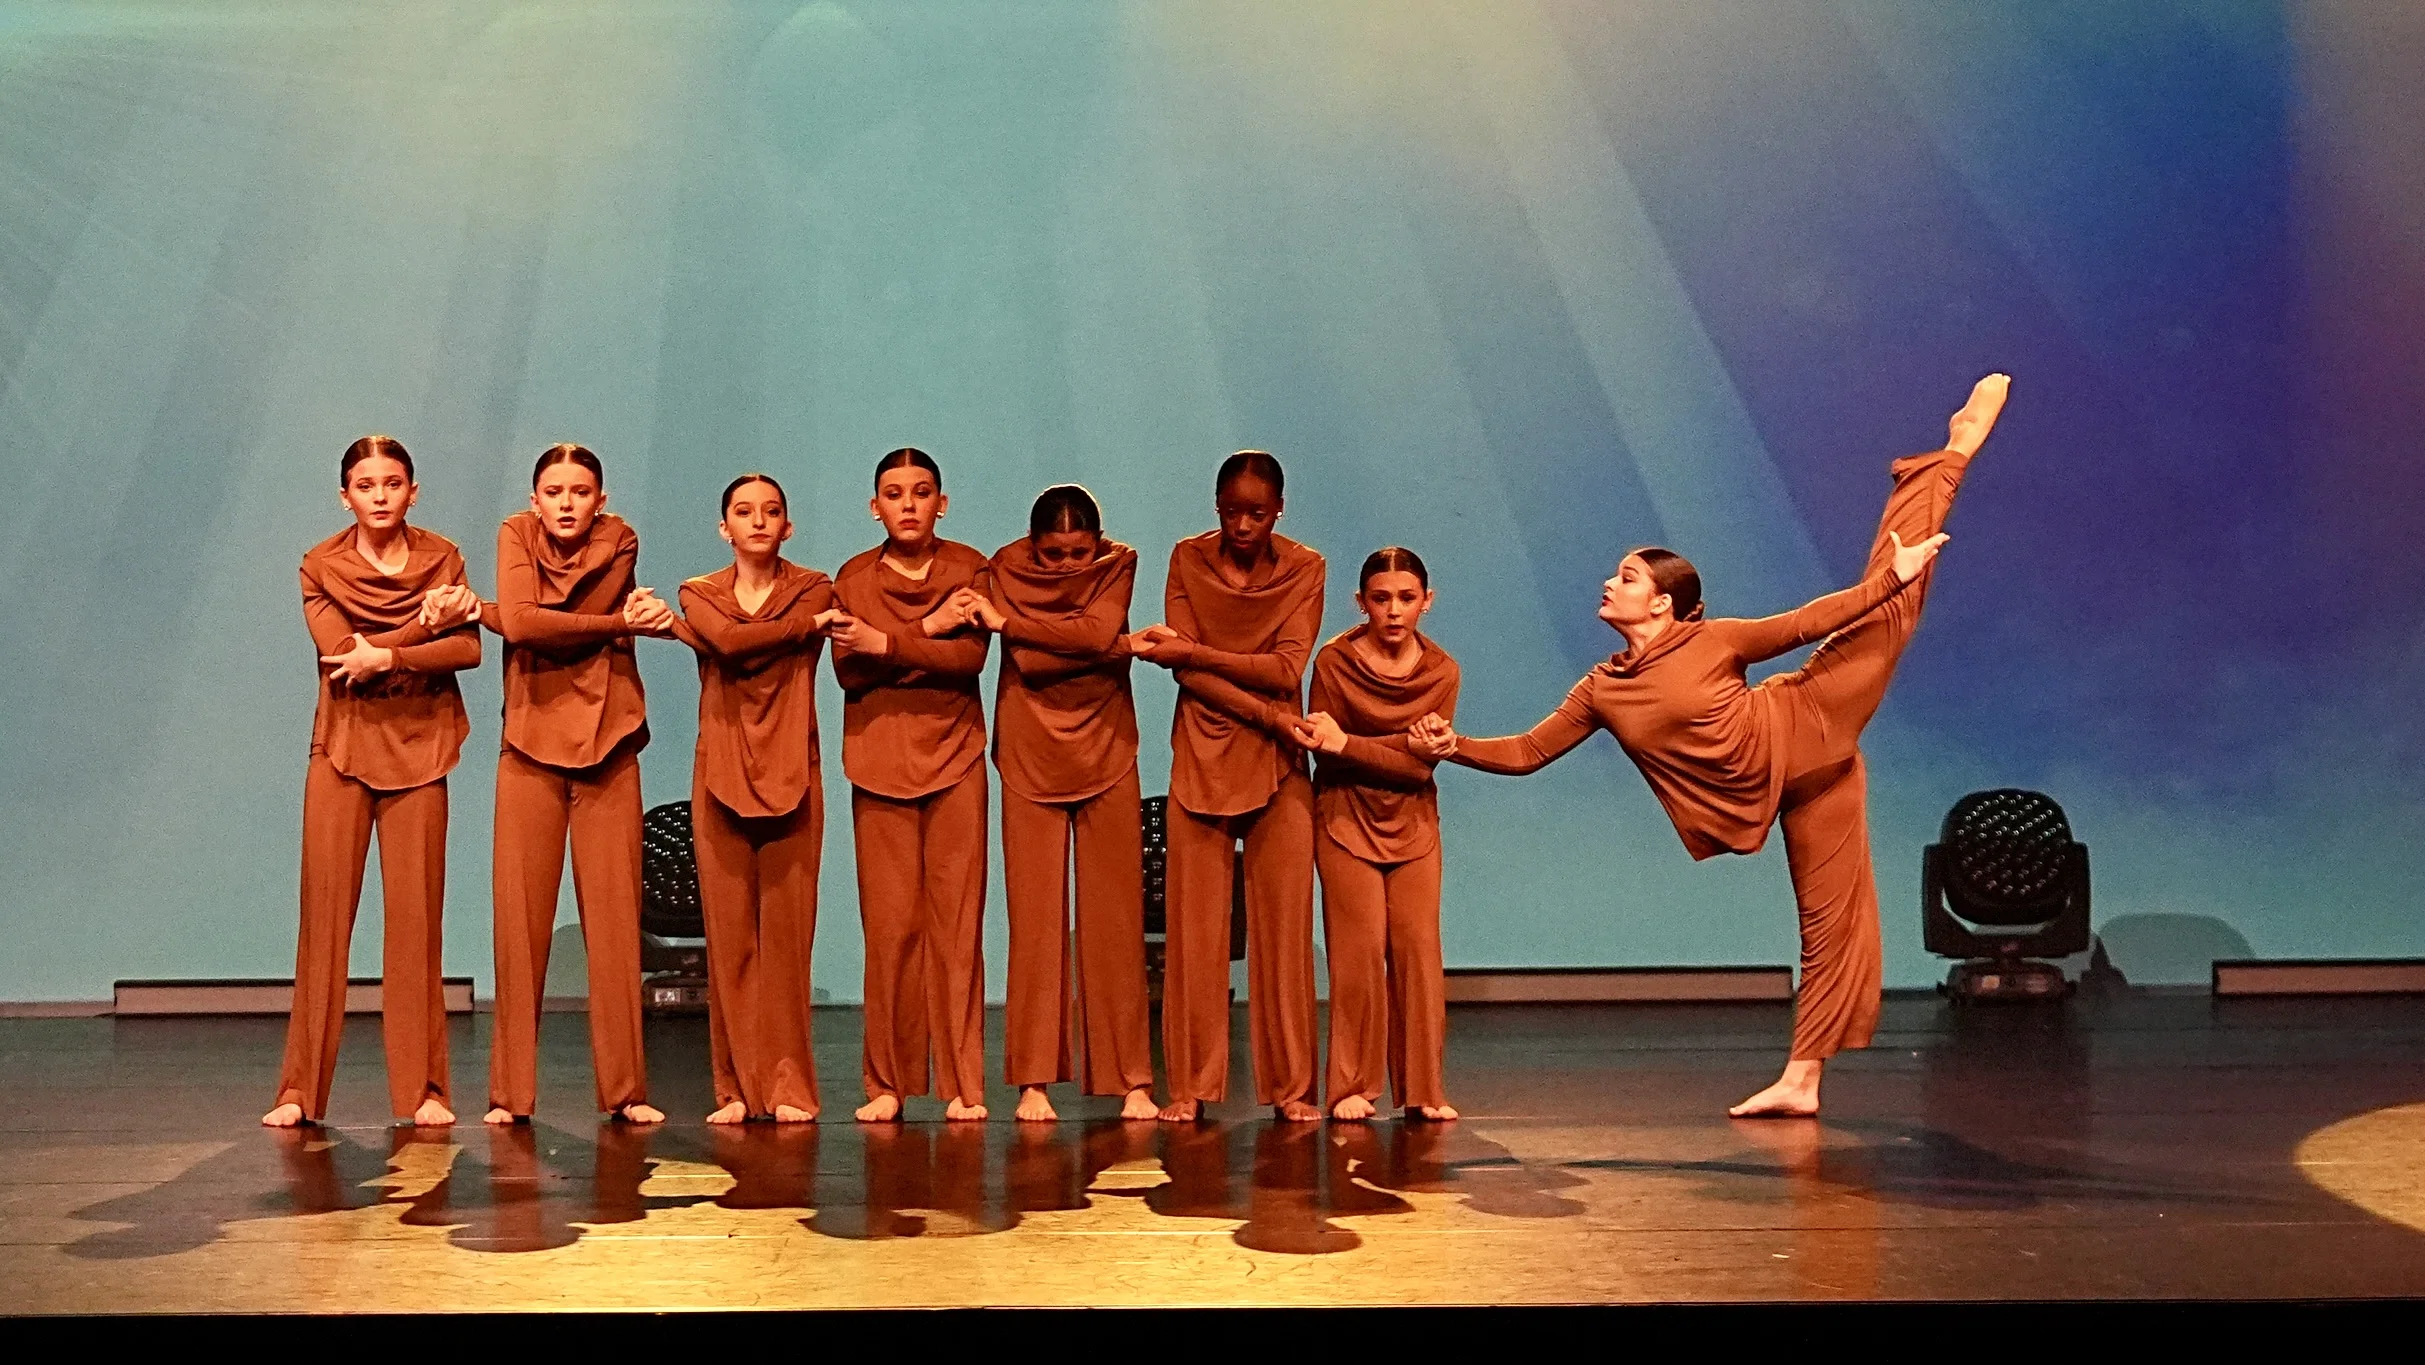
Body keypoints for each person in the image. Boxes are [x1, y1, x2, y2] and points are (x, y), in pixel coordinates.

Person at [1411, 375, 2010, 1117]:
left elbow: (1806, 622)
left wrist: (1891, 578)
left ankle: (1952, 455)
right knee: (1823, 926)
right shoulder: (1601, 688)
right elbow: (1529, 751)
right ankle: (1802, 1081)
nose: (1608, 583)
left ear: (1661, 602)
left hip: (1809, 722)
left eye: (1625, 577)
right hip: (1800, 788)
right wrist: (1453, 745)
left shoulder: (1713, 639)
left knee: (1883, 617)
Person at [264, 435, 481, 1129]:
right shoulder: (320, 564)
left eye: (392, 483)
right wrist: (419, 630)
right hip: (343, 747)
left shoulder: (442, 557)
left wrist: (388, 651)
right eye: (366, 485)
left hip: (422, 749)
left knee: (417, 926)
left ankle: (424, 1090)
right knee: (323, 922)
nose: (380, 495)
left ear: (413, 491)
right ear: (345, 496)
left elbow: (467, 648)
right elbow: (340, 655)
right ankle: (299, 1091)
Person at [480, 443, 672, 1125]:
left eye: (580, 492)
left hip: (610, 741)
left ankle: (625, 1090)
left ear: (600, 500)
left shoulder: (620, 539)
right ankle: (510, 1094)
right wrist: (617, 624)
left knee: (616, 925)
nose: (567, 503)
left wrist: (494, 611)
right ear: (534, 500)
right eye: (554, 492)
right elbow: (527, 623)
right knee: (519, 924)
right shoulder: (514, 532)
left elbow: (548, 615)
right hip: (529, 743)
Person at [1129, 451, 1323, 1122]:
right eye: (1232, 511)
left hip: (1278, 763)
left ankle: (1291, 1087)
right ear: (1216, 506)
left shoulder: (1305, 568)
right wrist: (1262, 708)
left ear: (1279, 511)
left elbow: (1285, 669)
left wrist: (1193, 652)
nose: (1243, 525)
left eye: (1257, 513)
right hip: (1205, 752)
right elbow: (1186, 673)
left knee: (1284, 932)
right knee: (1195, 932)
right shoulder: (1187, 558)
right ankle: (1189, 1085)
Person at [961, 484, 1157, 1123]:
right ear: (1032, 545)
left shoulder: (1118, 562)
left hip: (1107, 747)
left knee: (1116, 920)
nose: (1070, 565)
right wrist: (1111, 647)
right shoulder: (1005, 568)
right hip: (1030, 751)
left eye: (1080, 552)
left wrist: (1016, 625)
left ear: (1098, 542)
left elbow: (1096, 633)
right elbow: (1034, 663)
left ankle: (1131, 1079)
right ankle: (1034, 1081)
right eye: (1054, 554)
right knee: (1035, 922)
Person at [827, 448, 993, 1122]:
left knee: (957, 926)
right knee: (891, 927)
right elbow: (848, 671)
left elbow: (969, 659)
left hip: (955, 757)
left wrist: (886, 644)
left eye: (921, 492)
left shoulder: (969, 569)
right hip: (878, 760)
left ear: (941, 503)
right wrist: (925, 631)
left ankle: (963, 1083)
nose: (908, 505)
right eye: (894, 494)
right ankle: (887, 1083)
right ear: (875, 507)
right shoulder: (852, 577)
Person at [671, 473, 840, 1125]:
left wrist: (690, 633)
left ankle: (790, 1086)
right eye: (744, 511)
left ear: (787, 526)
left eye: (771, 510)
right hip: (720, 770)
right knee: (731, 941)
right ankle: (737, 1088)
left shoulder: (814, 586)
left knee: (787, 944)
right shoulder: (700, 592)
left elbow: (730, 641)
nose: (759, 520)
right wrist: (802, 628)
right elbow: (731, 642)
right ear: (725, 527)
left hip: (792, 768)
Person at [1289, 547, 1460, 1122]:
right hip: (1344, 817)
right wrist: (1395, 746)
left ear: (1427, 601)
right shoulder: (1334, 662)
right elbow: (1325, 751)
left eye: (1406, 598)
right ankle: (1352, 1087)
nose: (1393, 610)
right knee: (1358, 953)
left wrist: (1353, 743)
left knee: (1417, 951)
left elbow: (1418, 767)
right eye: (1381, 599)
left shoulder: (1441, 670)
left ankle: (1424, 1089)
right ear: (1360, 602)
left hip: (1414, 823)